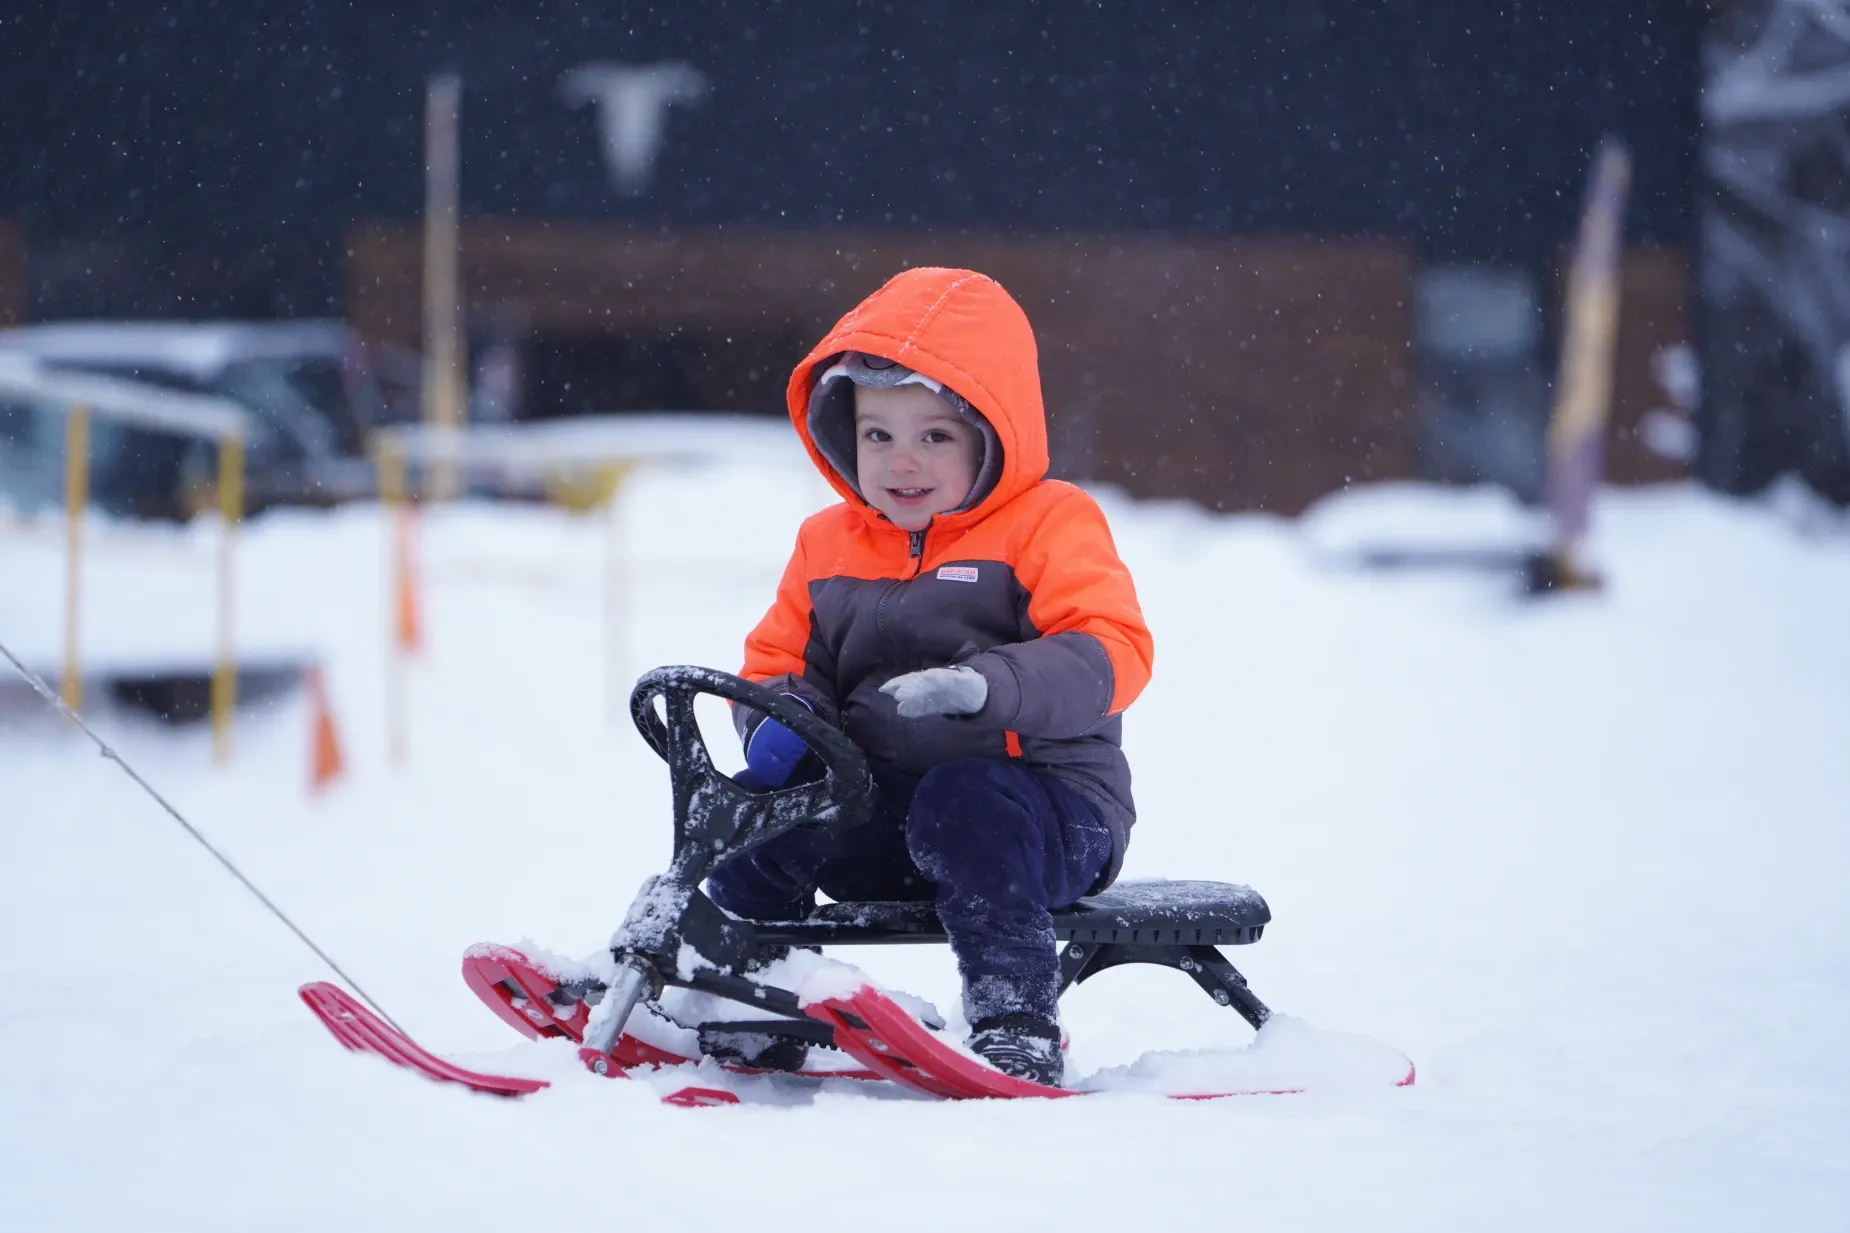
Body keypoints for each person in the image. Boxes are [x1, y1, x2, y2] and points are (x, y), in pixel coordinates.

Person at [710, 266, 1153, 1087]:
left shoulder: (1048, 523)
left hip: (1046, 818)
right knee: (758, 808)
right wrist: (781, 718)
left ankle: (1016, 1020)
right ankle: (746, 989)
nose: (901, 461)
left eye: (935, 437)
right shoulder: (827, 543)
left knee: (966, 797)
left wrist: (988, 687)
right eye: (877, 434)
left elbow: (1112, 649)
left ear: (991, 434)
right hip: (884, 821)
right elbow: (779, 663)